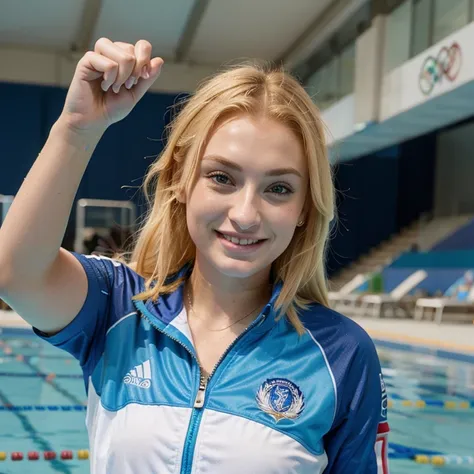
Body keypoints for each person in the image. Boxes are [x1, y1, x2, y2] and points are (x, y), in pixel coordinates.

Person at [0, 38, 389, 473]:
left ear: (303, 210)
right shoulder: (117, 308)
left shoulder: (342, 353)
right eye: (222, 177)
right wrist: (76, 129)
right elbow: (15, 274)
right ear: (182, 183)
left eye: (278, 188)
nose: (245, 215)